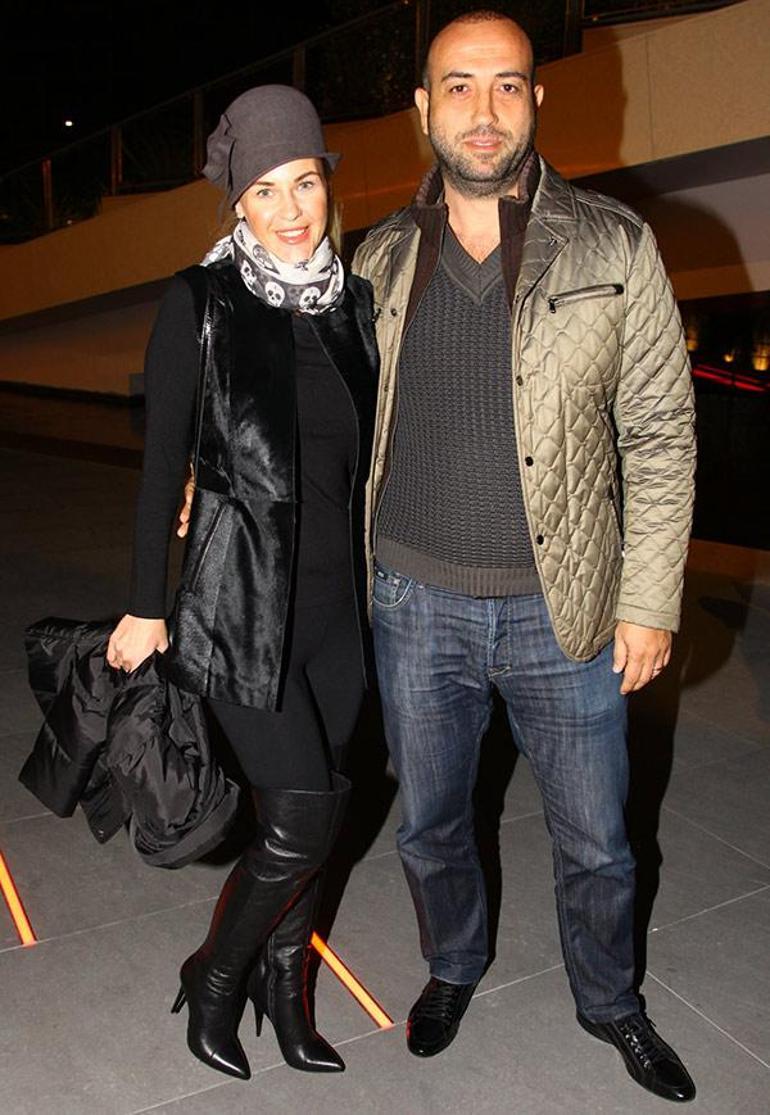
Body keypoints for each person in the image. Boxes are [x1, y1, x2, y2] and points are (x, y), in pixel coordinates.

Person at [352, 11, 697, 1104]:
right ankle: (453, 962)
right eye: (459, 86)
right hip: (414, 600)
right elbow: (319, 417)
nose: (484, 109)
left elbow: (659, 431)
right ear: (422, 108)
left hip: (570, 608)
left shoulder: (612, 243)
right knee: (429, 823)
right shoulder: (376, 258)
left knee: (598, 840)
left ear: (537, 100)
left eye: (506, 85)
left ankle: (609, 997)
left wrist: (649, 600)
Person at [107, 85, 378, 1081]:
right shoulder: (200, 302)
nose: (290, 207)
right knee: (298, 818)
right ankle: (216, 976)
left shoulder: (353, 306)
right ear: (238, 204)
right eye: (265, 189)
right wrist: (146, 601)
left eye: (304, 181)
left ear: (326, 186)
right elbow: (159, 467)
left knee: (322, 814)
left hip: (336, 620)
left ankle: (285, 989)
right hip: (236, 611)